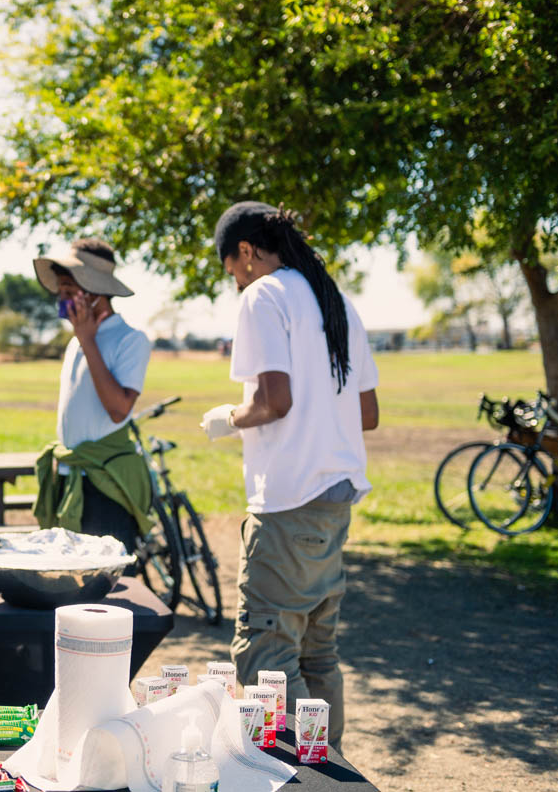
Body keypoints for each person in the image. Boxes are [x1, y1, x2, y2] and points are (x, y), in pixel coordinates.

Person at [201, 202, 380, 753]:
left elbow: (273, 401)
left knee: (265, 654)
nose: (235, 281)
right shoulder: (336, 300)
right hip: (335, 502)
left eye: (232, 269)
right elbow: (367, 413)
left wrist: (228, 419)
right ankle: (334, 773)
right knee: (316, 653)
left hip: (288, 501)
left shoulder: (263, 296)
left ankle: (307, 777)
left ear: (248, 253)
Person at [31, 238, 153, 557]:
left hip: (105, 485)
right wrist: (83, 339)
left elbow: (118, 409)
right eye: (61, 289)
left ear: (95, 293)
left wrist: (87, 340)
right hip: (71, 478)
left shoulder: (130, 339)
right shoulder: (76, 340)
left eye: (70, 290)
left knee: (108, 587)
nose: (62, 297)